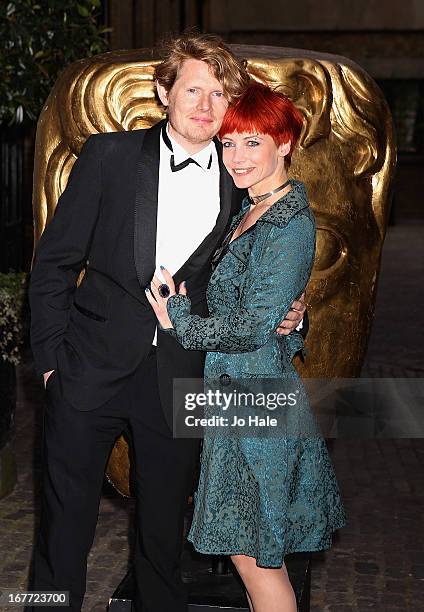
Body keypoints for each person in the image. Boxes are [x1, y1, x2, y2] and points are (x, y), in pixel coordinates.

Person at [27, 33, 306, 612]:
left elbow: (262, 276)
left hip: (182, 380)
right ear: (163, 92)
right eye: (193, 90)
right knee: (62, 532)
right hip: (86, 371)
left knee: (161, 541)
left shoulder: (241, 177)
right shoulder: (109, 156)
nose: (205, 106)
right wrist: (51, 364)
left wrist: (292, 315)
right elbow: (55, 263)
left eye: (219, 94)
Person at [147, 82, 348, 612]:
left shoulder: (287, 223)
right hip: (235, 394)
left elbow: (250, 328)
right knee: (250, 553)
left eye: (253, 143)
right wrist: (291, 320)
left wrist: (179, 321)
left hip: (255, 402)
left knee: (255, 557)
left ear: (284, 145)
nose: (236, 157)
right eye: (230, 143)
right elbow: (265, 309)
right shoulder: (252, 208)